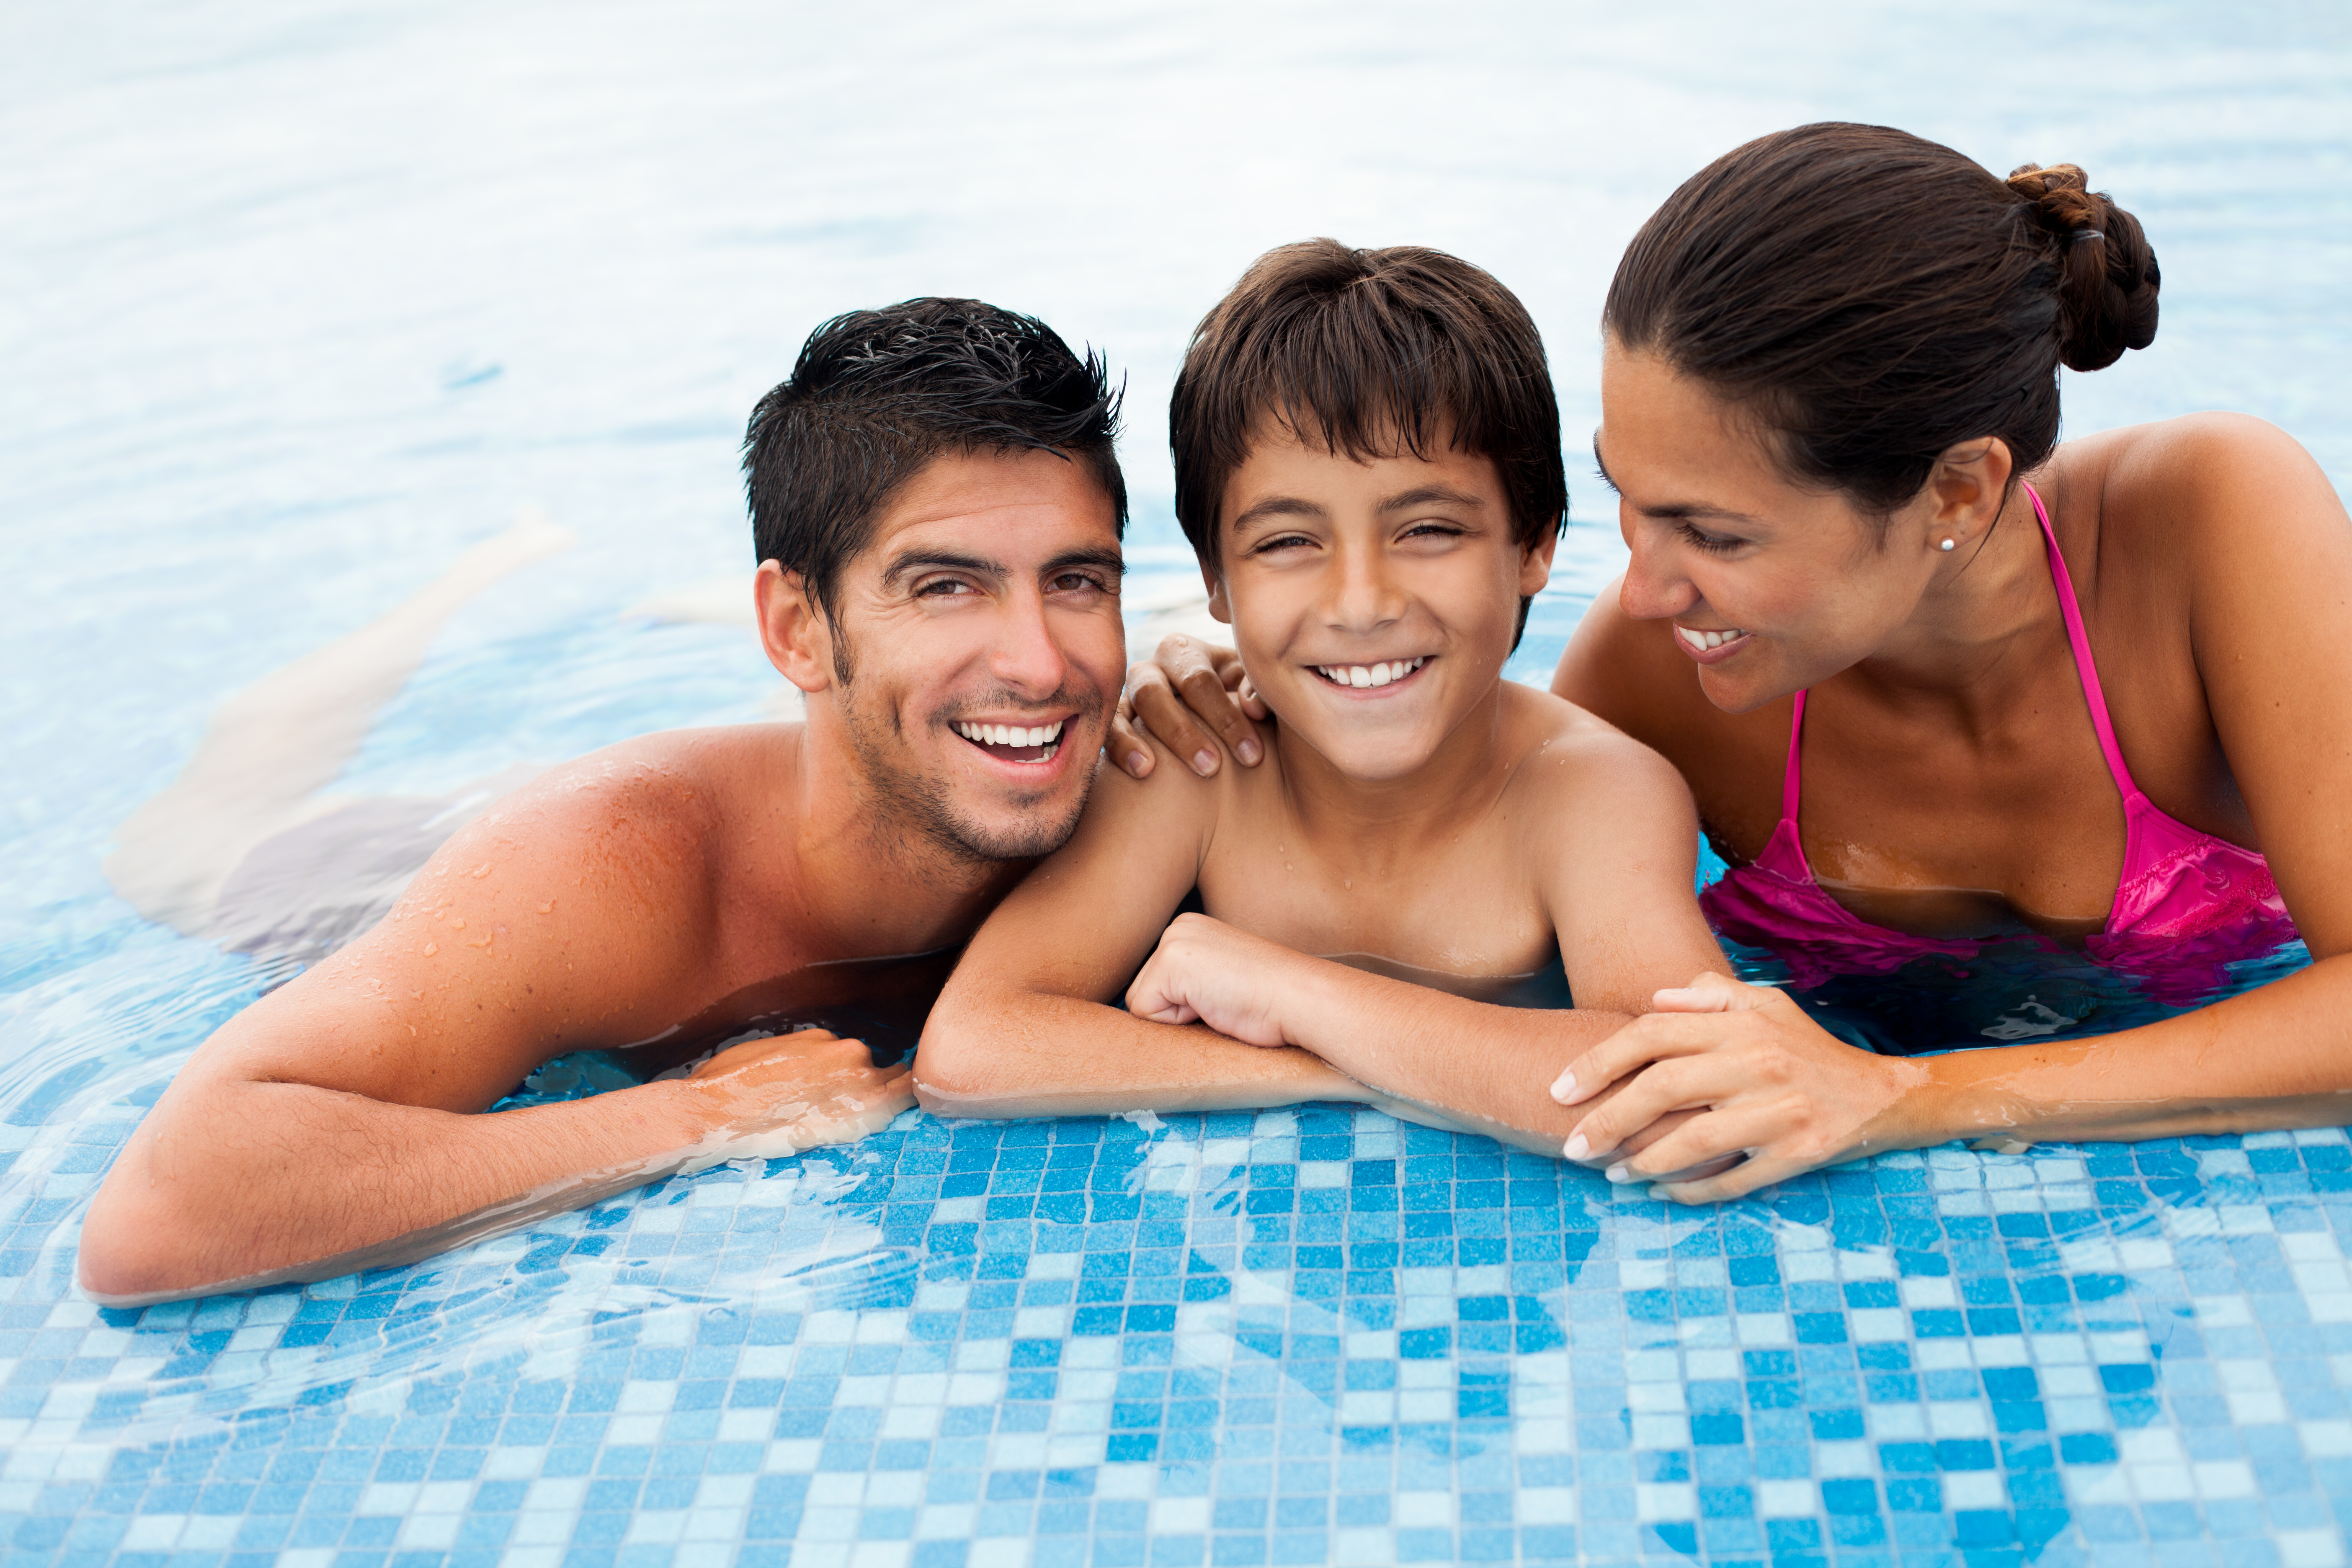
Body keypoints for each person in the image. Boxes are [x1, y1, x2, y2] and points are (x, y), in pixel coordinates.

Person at [1115, 124, 2352, 1200]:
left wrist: (1906, 1098)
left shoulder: (2211, 524)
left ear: (1958, 490)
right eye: (1626, 502)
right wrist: (1209, 685)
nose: (1642, 588)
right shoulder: (1655, 676)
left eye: (1713, 532)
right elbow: (1470, 880)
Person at [79, 297, 1144, 1304]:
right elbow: (162, 1214)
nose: (1042, 665)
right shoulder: (608, 876)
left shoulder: (1142, 768)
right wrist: (701, 1114)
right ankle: (466, 583)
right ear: (793, 629)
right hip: (354, 874)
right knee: (194, 844)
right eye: (944, 585)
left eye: (1077, 581)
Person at [916, 240, 1726, 1152]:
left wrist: (1290, 993)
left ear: (1535, 543)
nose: (1361, 606)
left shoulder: (1592, 794)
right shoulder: (1193, 767)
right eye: (1289, 543)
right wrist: (1349, 1067)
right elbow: (971, 1048)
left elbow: (1692, 1092)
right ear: (1216, 581)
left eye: (1427, 529)